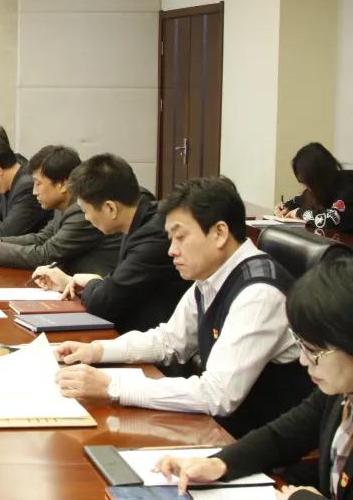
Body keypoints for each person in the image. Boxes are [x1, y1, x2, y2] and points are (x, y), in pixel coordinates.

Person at [55, 177, 312, 438]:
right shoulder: (212, 276)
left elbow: (217, 395)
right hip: (220, 430)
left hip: (261, 443)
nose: (171, 251)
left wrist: (113, 386)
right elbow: (169, 341)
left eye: (180, 237)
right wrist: (97, 351)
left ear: (219, 233)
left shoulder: (258, 294)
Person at [154, 254, 353, 498]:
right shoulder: (340, 392)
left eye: (313, 351)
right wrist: (220, 463)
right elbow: (283, 437)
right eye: (301, 345)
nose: (303, 360)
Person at [33, 153, 189, 334]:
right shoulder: (142, 215)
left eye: (86, 211)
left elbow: (105, 302)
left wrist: (89, 283)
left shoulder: (153, 237)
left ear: (110, 208)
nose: (86, 218)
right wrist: (80, 283)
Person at [0, 145, 120, 276]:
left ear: (63, 184)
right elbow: (41, 238)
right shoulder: (63, 204)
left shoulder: (82, 211)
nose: (34, 192)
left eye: (38, 184)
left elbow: (46, 255)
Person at [275, 142, 353, 232]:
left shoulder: (348, 186)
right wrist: (285, 207)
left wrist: (298, 213)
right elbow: (298, 200)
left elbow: (329, 220)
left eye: (307, 182)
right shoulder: (319, 187)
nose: (306, 188)